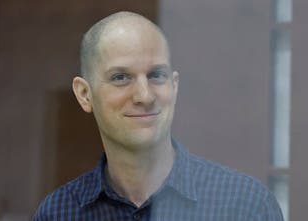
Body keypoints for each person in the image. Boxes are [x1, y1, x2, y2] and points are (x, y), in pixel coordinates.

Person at [33, 11, 284, 221]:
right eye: (121, 77)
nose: (145, 96)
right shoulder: (58, 213)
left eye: (156, 76)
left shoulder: (245, 206)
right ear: (85, 94)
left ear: (174, 86)